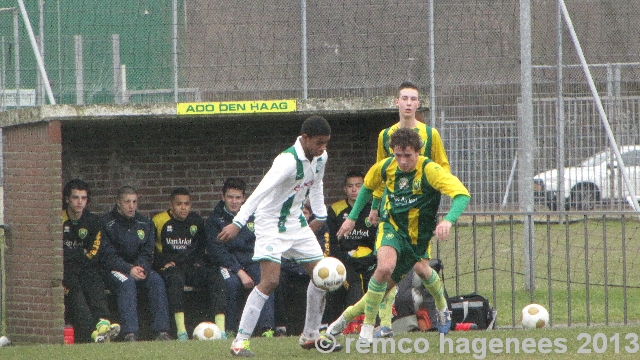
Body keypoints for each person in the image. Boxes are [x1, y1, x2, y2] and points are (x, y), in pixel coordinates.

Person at [327, 128, 470, 342]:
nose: (402, 161)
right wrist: (353, 217)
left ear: (418, 152)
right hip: (391, 226)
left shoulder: (431, 170)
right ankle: (367, 329)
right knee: (383, 268)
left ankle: (343, 320)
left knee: (399, 281)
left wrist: (448, 220)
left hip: (417, 239)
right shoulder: (386, 167)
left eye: (408, 156)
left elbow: (462, 195)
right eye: (398, 155)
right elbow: (368, 186)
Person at [216, 115, 342, 357]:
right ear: (305, 138)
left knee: (320, 276)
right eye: (319, 142)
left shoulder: (320, 157)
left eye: (326, 142)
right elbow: (258, 193)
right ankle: (239, 343)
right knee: (271, 280)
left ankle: (310, 336)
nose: (323, 148)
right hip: (270, 222)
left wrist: (322, 215)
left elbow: (317, 185)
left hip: (297, 222)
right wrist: (238, 223)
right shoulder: (286, 161)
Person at [371, 80, 451, 338]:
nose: (407, 103)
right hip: (391, 211)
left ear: (418, 104)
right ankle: (383, 324)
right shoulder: (385, 136)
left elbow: (442, 169)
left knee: (420, 267)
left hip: (418, 214)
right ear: (397, 102)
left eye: (412, 99)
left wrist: (434, 204)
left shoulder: (431, 135)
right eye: (403, 98)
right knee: (386, 267)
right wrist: (374, 207)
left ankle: (443, 307)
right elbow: (379, 174)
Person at [153, 187, 227, 341]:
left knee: (215, 275)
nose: (183, 207)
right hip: (172, 268)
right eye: (179, 204)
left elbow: (201, 247)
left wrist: (199, 262)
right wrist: (162, 262)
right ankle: (181, 331)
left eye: (186, 204)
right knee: (175, 279)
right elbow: (151, 249)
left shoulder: (196, 221)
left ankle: (221, 330)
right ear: (171, 204)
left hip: (192, 267)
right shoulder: (159, 221)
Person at [99, 186, 172, 341]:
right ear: (118, 202)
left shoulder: (145, 223)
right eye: (127, 202)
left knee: (156, 280)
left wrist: (140, 268)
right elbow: (107, 255)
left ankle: (162, 332)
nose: (131, 206)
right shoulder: (106, 223)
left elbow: (147, 252)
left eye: (134, 201)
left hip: (138, 268)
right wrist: (128, 268)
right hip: (115, 269)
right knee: (127, 283)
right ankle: (129, 333)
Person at [205, 178, 274, 337]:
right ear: (223, 197)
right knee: (231, 283)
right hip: (227, 265)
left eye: (238, 197)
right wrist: (240, 272)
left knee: (267, 280)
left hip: (252, 262)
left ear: (244, 199)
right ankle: (230, 330)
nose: (234, 201)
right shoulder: (214, 220)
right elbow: (218, 252)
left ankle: (266, 329)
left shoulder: (253, 217)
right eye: (230, 197)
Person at [62, 179, 120, 343]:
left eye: (83, 198)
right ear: (67, 199)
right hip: (66, 271)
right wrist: (78, 253)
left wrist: (76, 254)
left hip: (86, 267)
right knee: (76, 296)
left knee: (95, 283)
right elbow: (58, 252)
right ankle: (94, 335)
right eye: (75, 197)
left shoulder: (94, 221)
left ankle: (103, 325)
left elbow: (94, 252)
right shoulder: (59, 219)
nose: (80, 202)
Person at [323, 170, 376, 325]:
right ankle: (353, 325)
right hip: (345, 260)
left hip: (370, 259)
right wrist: (344, 258)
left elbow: (380, 238)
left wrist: (373, 257)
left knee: (375, 285)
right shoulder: (335, 209)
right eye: (350, 186)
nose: (354, 190)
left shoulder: (373, 208)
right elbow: (331, 241)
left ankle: (374, 323)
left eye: (358, 186)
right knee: (353, 285)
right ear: (344, 189)